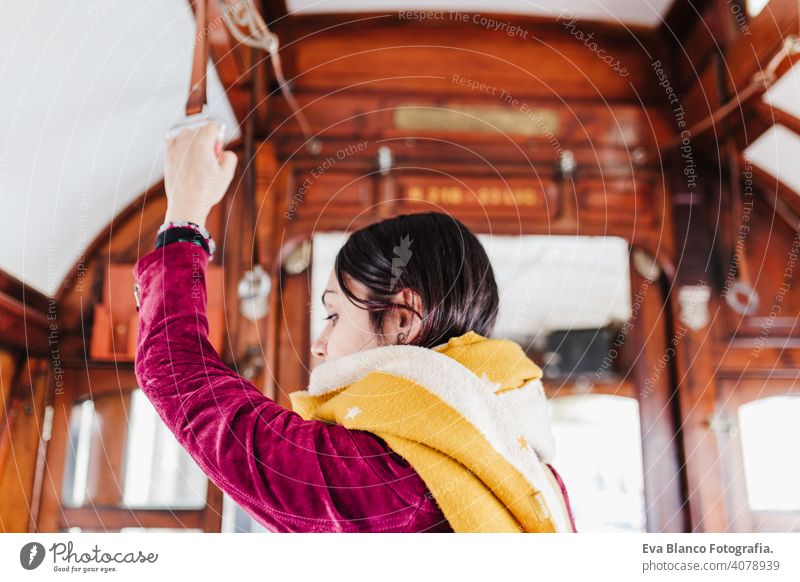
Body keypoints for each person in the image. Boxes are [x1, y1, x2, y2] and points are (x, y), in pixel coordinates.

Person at [133, 122, 577, 533]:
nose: (320, 346)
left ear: (403, 319)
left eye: (333, 316)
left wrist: (185, 216)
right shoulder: (531, 467)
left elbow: (177, 372)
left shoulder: (385, 480)